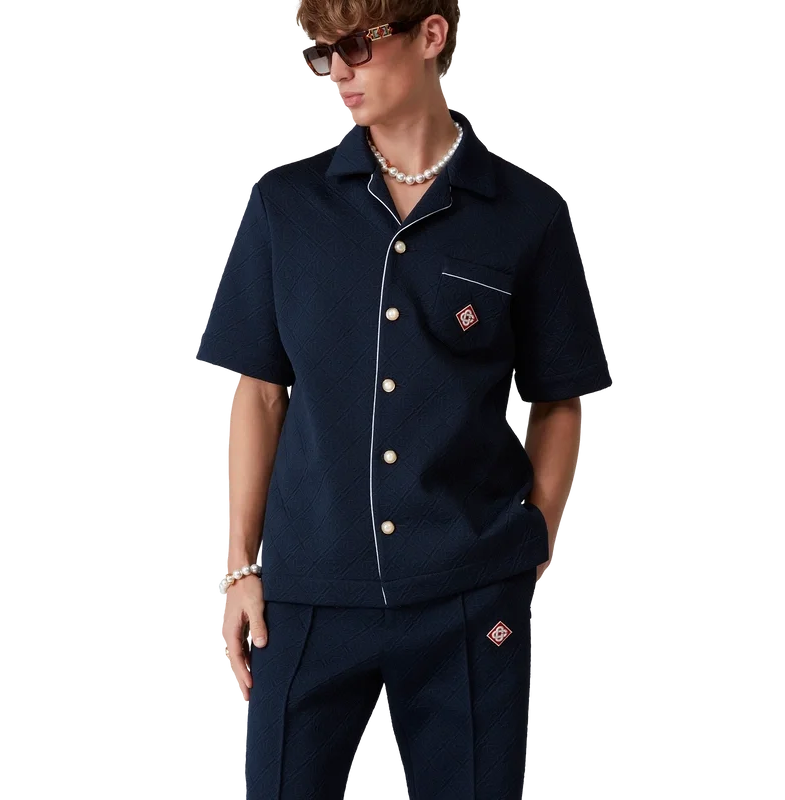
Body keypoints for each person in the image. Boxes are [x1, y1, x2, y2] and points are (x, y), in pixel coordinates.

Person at [197, 1, 612, 797]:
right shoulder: (286, 206)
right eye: (321, 52)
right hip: (306, 592)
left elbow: (559, 399)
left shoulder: (527, 215)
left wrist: (533, 535)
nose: (337, 73)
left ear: (431, 34)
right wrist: (240, 568)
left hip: (470, 593)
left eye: (355, 45)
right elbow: (259, 393)